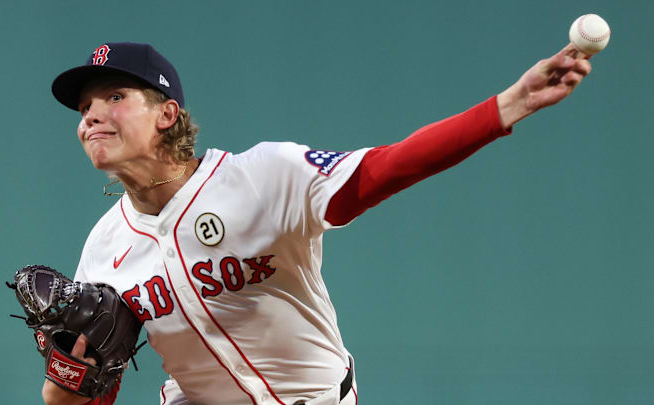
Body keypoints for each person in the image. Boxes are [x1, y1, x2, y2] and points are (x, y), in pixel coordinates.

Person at [43, 41, 591, 405]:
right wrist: (65, 373)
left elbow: (386, 167)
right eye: (85, 106)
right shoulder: (104, 248)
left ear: (167, 115)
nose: (91, 115)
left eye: (115, 97)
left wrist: (509, 105)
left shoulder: (262, 177)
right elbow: (81, 398)